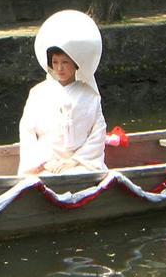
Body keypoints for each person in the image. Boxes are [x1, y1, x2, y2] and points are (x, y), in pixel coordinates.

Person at [18, 10, 107, 176]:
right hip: (45, 165)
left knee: (80, 175)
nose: (59, 68)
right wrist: (44, 162)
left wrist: (74, 161)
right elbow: (27, 131)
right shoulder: (38, 93)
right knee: (39, 179)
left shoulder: (90, 95)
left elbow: (98, 133)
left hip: (81, 165)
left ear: (75, 64)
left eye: (65, 62)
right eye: (55, 62)